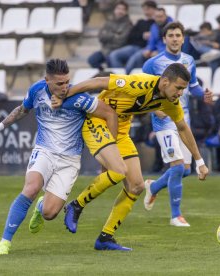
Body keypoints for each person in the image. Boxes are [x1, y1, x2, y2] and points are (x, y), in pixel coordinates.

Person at [55, 63, 211, 251]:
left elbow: (183, 128)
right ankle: (76, 205)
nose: (180, 93)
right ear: (164, 81)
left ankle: (105, 238)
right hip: (97, 120)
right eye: (178, 88)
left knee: (137, 186)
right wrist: (62, 96)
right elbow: (96, 82)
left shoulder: (170, 103)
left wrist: (200, 161)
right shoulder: (138, 83)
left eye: (183, 89)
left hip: (120, 131)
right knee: (119, 171)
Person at [0, 59, 118, 255]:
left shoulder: (79, 97)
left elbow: (109, 113)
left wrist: (109, 153)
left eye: (67, 81)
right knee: (31, 187)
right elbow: (22, 110)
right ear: (47, 80)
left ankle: (41, 206)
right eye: (59, 83)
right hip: (44, 150)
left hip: (69, 160)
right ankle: (5, 241)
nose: (64, 87)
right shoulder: (37, 90)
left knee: (50, 213)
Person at [141, 22, 212, 226]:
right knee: (178, 166)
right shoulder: (152, 64)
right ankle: (176, 215)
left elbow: (194, 88)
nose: (174, 38)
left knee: (186, 170)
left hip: (183, 118)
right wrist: (155, 109)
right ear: (164, 39)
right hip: (163, 121)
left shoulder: (189, 60)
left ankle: (153, 187)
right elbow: (142, 92)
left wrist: (204, 94)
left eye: (178, 35)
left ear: (183, 38)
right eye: (170, 35)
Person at [108, 1, 157, 72]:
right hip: (134, 46)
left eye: (148, 8)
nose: (146, 11)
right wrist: (142, 35)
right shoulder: (140, 22)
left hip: (146, 48)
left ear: (154, 9)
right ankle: (119, 77)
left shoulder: (157, 23)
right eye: (144, 9)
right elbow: (131, 36)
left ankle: (123, 79)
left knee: (132, 60)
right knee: (113, 55)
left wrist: (152, 36)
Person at [124, 7, 173, 74]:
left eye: (161, 16)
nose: (159, 19)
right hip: (155, 51)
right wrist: (149, 49)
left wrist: (159, 52)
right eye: (157, 17)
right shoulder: (154, 26)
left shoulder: (172, 27)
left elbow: (173, 46)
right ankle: (126, 76)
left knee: (154, 59)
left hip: (167, 52)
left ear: (165, 16)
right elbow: (151, 42)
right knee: (136, 57)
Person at [87, 1, 132, 70]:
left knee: (111, 59)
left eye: (123, 9)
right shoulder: (108, 21)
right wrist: (114, 34)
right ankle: (103, 73)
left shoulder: (128, 24)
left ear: (126, 11)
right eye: (118, 8)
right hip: (105, 50)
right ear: (114, 10)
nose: (120, 11)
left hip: (117, 51)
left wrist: (108, 35)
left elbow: (121, 41)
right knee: (92, 60)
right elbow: (101, 37)